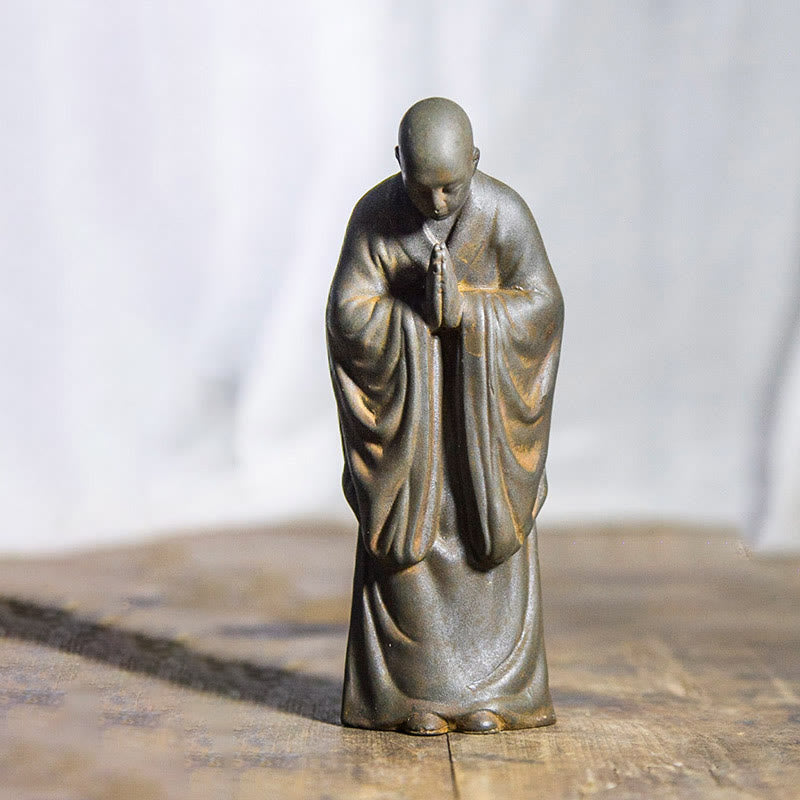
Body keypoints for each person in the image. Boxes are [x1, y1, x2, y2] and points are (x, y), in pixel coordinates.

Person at [326, 97, 564, 735]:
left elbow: (543, 307)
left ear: (476, 162)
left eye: (451, 187)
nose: (435, 203)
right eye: (421, 186)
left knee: (486, 543)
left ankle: (496, 694)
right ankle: (410, 698)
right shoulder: (375, 217)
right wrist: (411, 319)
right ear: (398, 163)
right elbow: (347, 313)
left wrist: (471, 315)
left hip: (482, 440)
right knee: (412, 548)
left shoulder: (504, 214)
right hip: (412, 443)